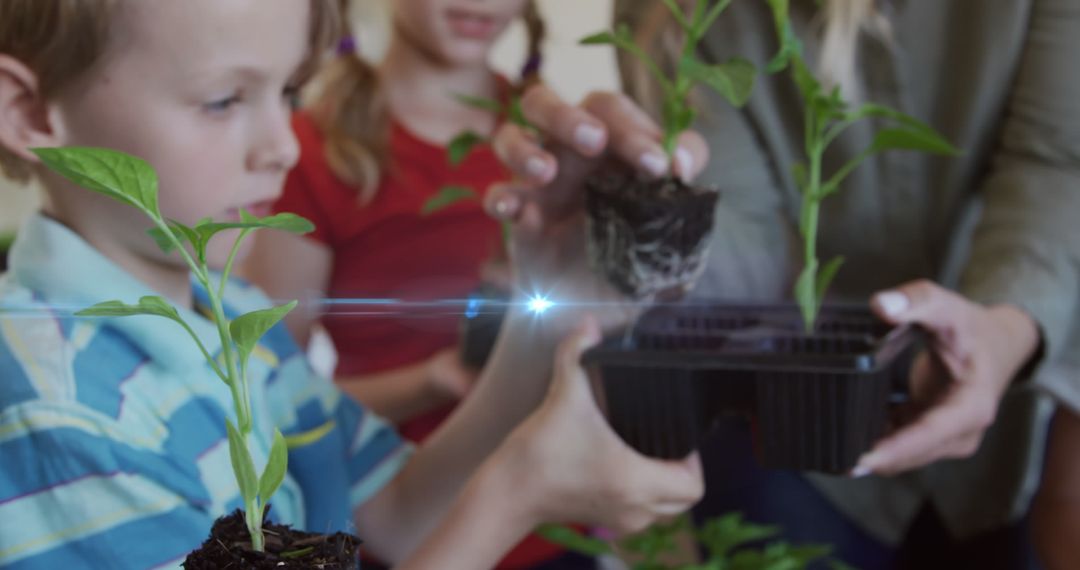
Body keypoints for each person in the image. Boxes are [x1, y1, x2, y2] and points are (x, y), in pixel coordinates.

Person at [0, 1, 709, 567]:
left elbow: (399, 514)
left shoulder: (241, 322)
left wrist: (548, 305)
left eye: (288, 91)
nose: (281, 145)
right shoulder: (59, 413)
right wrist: (515, 495)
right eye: (222, 100)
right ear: (30, 114)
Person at [491, 0, 1080, 567]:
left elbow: (1055, 158)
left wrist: (1007, 326)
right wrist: (636, 259)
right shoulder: (674, 13)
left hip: (1001, 414)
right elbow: (743, 227)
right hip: (788, 415)